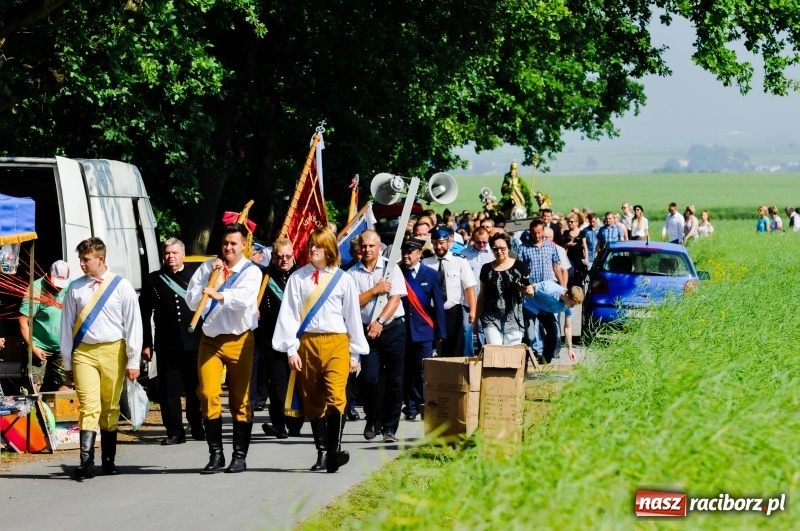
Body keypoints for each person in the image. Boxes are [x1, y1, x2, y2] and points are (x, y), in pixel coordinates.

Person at [273, 228, 369, 473]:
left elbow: (352, 318)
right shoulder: (298, 278)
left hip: (337, 342)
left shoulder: (343, 278)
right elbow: (290, 316)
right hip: (308, 343)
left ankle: (335, 451)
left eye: (318, 246)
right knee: (313, 400)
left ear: (329, 250)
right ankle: (323, 453)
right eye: (310, 245)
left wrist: (355, 353)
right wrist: (291, 350)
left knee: (336, 396)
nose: (312, 249)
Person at [60, 237, 143, 479]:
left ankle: (108, 460)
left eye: (85, 260)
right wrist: (67, 361)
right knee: (88, 406)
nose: (81, 264)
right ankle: (86, 461)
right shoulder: (75, 288)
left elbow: (133, 325)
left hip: (113, 350)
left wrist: (133, 360)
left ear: (100, 259)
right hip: (84, 352)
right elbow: (66, 327)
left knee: (110, 406)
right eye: (81, 259)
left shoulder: (122, 286)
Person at [186, 223, 263, 474]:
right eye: (225, 243)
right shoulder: (209, 268)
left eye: (234, 243)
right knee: (208, 394)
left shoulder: (252, 271)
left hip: (240, 339)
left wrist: (220, 293)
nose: (228, 247)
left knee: (240, 400)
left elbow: (243, 300)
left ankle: (239, 456)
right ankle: (215, 454)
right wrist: (212, 282)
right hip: (210, 339)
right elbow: (191, 299)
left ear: (244, 245)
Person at [139, 239, 204, 446]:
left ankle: (196, 424)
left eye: (175, 252)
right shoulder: (153, 280)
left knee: (195, 387)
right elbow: (144, 314)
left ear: (183, 254)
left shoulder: (196, 275)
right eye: (167, 253)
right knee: (169, 390)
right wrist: (146, 343)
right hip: (167, 343)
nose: (171, 256)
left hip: (194, 341)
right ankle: (175, 431)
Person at [349, 230, 407, 443]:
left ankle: (390, 427)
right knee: (369, 379)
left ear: (379, 246)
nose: (367, 250)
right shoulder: (352, 273)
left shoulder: (391, 269)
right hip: (366, 332)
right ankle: (372, 420)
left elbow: (395, 299)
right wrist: (374, 290)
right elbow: (352, 303)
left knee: (394, 381)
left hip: (391, 329)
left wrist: (380, 321)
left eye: (371, 246)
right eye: (364, 246)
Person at [258, 238, 304, 439]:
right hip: (272, 338)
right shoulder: (264, 277)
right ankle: (279, 424)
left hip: (298, 338)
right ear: (272, 256)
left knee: (297, 384)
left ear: (293, 254)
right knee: (278, 385)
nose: (284, 260)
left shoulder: (302, 275)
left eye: (287, 256)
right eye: (279, 256)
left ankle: (295, 424)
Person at [399, 237, 445, 421]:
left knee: (421, 369)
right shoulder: (396, 273)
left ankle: (417, 402)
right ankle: (409, 405)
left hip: (424, 330)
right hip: (402, 330)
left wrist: (440, 332)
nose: (406, 255)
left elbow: (438, 305)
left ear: (419, 254)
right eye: (404, 252)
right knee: (404, 370)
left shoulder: (431, 274)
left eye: (410, 252)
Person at [422, 225, 477, 357]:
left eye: (441, 243)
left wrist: (472, 310)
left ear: (449, 241)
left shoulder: (460, 261)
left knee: (455, 347)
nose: (438, 247)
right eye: (435, 243)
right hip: (433, 311)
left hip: (453, 311)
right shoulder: (426, 262)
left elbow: (468, 287)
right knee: (436, 349)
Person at [19, 260, 73, 391]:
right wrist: (33, 348)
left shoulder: (71, 286)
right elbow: (23, 321)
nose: (59, 288)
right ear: (48, 275)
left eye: (62, 285)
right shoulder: (35, 290)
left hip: (63, 346)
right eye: (56, 284)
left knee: (67, 387)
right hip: (39, 345)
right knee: (32, 388)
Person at [516, 218, 560, 360]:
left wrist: (562, 286)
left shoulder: (550, 246)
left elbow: (556, 266)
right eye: (534, 233)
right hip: (531, 295)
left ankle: (545, 361)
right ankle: (524, 359)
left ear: (543, 231)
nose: (537, 236)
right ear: (530, 232)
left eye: (539, 233)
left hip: (546, 295)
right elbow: (519, 270)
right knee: (530, 335)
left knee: (554, 333)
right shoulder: (523, 248)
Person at [475, 233, 529, 345]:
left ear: (509, 248)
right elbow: (482, 296)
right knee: (495, 355)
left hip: (514, 319)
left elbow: (531, 291)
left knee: (511, 356)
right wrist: (476, 320)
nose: (499, 251)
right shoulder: (486, 269)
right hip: (490, 318)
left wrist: (526, 290)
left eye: (502, 248)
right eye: (495, 249)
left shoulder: (520, 266)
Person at [522, 280, 584, 363]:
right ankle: (522, 361)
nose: (573, 307)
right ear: (567, 296)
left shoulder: (569, 307)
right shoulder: (549, 289)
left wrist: (570, 349)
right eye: (572, 304)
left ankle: (544, 363)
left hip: (545, 311)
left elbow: (568, 327)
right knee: (530, 337)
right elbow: (530, 287)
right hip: (531, 306)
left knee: (555, 335)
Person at [460, 227, 494, 351]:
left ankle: (485, 355)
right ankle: (468, 357)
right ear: (473, 239)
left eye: (484, 242)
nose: (481, 245)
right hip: (469, 298)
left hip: (488, 298)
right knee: (466, 329)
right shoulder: (464, 254)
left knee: (486, 329)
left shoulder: (493, 253)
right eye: (478, 242)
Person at [561, 214, 586, 288]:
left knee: (579, 274)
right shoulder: (566, 233)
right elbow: (562, 246)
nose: (569, 223)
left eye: (571, 222)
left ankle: (578, 290)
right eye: (568, 222)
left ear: (577, 223)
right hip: (569, 257)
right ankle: (571, 289)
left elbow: (585, 246)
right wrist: (568, 244)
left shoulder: (582, 233)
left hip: (579, 256)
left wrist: (586, 258)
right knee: (570, 274)